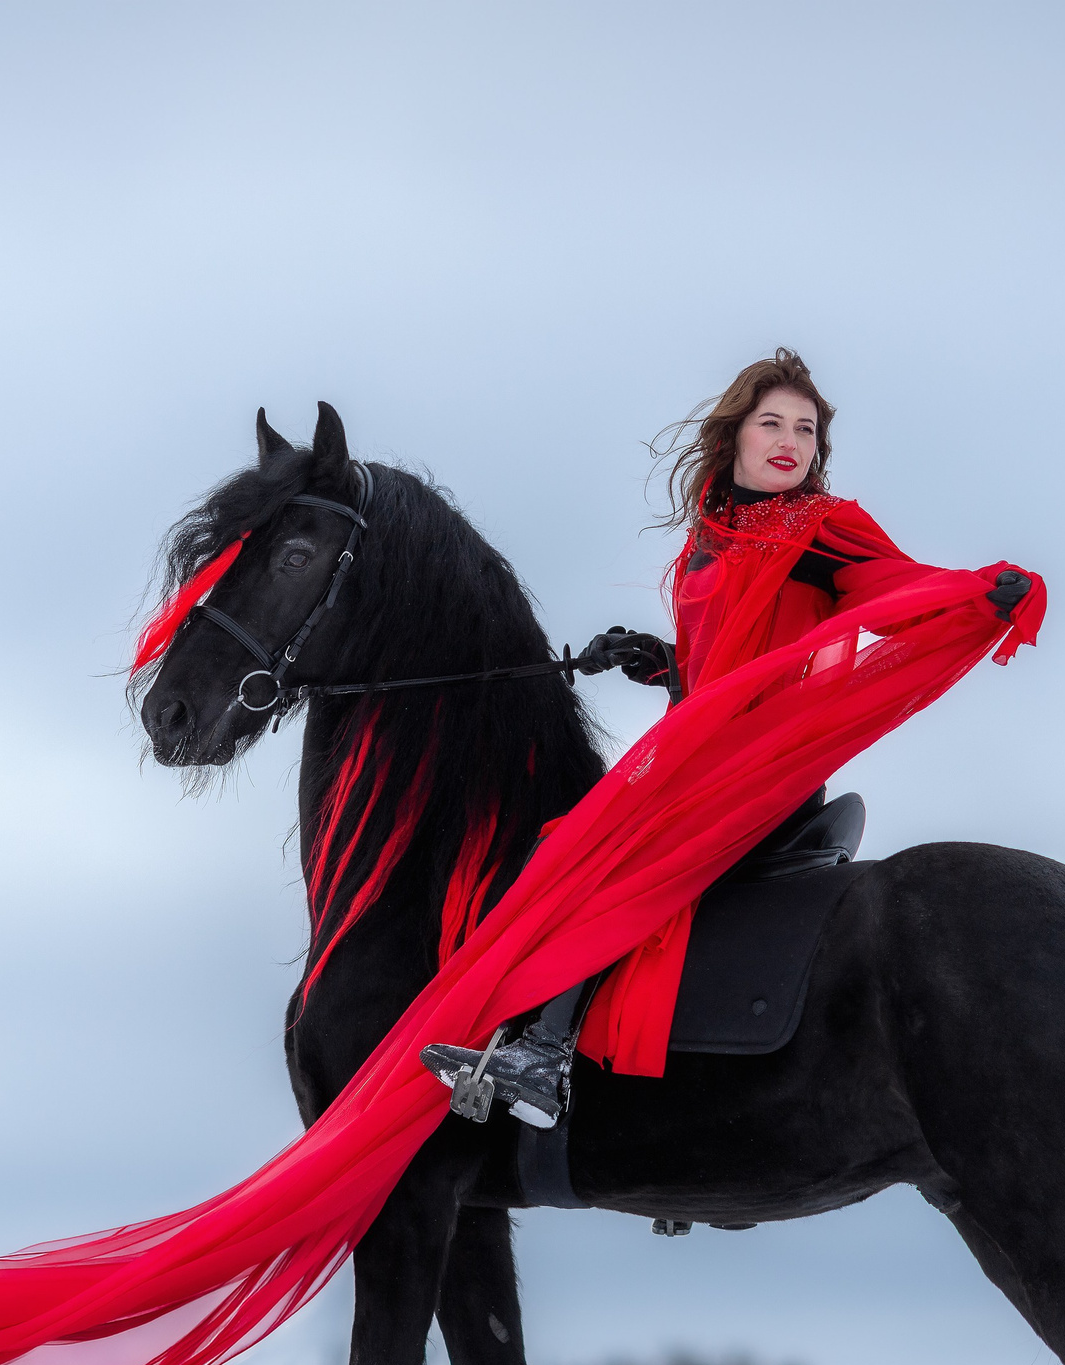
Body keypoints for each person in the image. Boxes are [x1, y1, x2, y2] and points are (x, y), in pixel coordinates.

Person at [421, 349, 1030, 1132]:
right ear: (734, 437)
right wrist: (656, 661)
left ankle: (544, 1054)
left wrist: (978, 595)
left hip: (761, 763)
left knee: (588, 853)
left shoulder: (820, 528)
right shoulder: (709, 543)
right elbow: (720, 669)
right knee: (552, 844)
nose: (789, 441)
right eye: (771, 422)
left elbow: (897, 589)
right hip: (699, 748)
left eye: (805, 430)